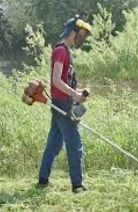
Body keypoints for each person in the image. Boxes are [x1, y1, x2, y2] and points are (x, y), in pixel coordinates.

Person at [38, 15, 92, 193]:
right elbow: (56, 80)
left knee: (54, 142)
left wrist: (75, 94)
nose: (82, 38)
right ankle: (77, 185)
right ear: (72, 32)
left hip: (61, 102)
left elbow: (63, 80)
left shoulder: (64, 50)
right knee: (75, 144)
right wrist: (75, 94)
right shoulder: (61, 50)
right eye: (81, 34)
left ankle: (43, 179)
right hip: (62, 103)